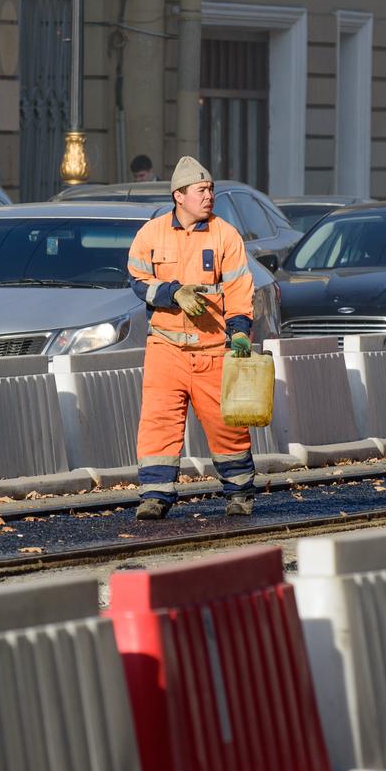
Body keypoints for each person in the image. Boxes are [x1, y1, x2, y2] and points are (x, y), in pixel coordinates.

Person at [127, 156, 257, 520]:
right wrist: (172, 292)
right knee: (158, 423)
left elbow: (239, 290)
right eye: (202, 189)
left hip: (214, 350)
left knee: (227, 425)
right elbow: (137, 280)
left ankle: (240, 493)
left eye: (211, 188)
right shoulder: (150, 234)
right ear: (179, 195)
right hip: (165, 349)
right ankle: (154, 496)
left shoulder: (225, 235)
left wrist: (240, 333)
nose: (210, 195)